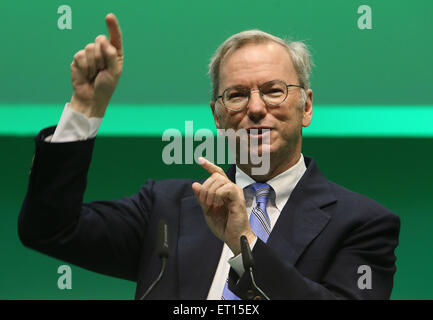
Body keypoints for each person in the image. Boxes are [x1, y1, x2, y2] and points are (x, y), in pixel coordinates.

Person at [18, 13, 400, 300]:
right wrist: (86, 106)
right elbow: (50, 229)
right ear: (218, 115)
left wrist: (243, 243)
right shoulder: (166, 208)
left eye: (273, 90)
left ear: (306, 106)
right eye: (236, 95)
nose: (254, 108)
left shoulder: (363, 224)